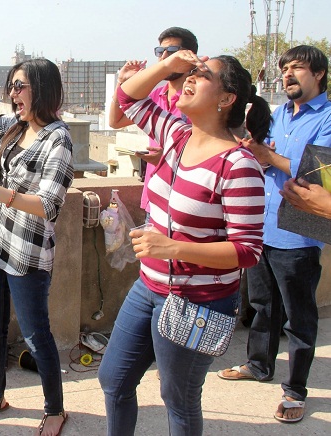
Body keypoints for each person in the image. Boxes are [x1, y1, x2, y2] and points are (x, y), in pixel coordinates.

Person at [97, 50, 271, 436]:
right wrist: (164, 67)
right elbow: (126, 99)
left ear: (226, 99)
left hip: (199, 301)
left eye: (202, 75)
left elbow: (247, 251)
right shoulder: (175, 135)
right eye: (189, 74)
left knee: (178, 399)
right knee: (114, 379)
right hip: (149, 287)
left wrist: (172, 247)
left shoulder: (238, 166)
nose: (189, 80)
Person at [0, 58, 74, 436]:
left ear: (42, 89)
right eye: (11, 86)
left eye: (20, 85)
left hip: (26, 254)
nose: (13, 93)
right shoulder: (15, 126)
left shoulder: (58, 138)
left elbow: (47, 205)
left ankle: (55, 409)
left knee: (36, 335)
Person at [217, 45, 331, 424]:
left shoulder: (328, 117)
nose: (288, 75)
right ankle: (258, 365)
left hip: (298, 233)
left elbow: (317, 174)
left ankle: (295, 390)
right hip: (261, 228)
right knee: (263, 306)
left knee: (298, 318)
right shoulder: (276, 114)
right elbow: (262, 154)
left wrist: (269, 157)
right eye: (285, 69)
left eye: (297, 68)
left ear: (319, 74)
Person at [109, 27, 198, 223]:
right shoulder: (155, 96)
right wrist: (122, 82)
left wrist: (168, 157)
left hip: (187, 203)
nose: (164, 57)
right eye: (160, 52)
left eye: (172, 52)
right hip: (154, 199)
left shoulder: (197, 99)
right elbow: (115, 121)